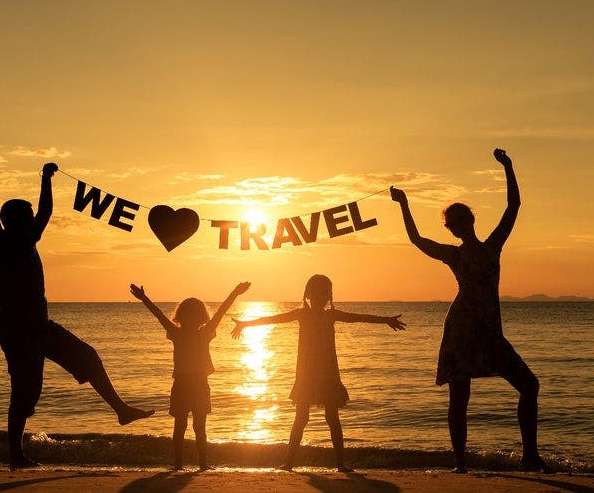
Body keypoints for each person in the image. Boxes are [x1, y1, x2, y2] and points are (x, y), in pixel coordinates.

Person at [0, 130, 153, 469]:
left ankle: (121, 411)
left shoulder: (27, 239)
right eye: (27, 215)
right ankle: (15, 453)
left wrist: (45, 179)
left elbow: (45, 211)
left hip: (41, 328)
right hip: (17, 335)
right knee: (25, 395)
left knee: (88, 356)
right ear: (12, 221)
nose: (34, 219)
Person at [390, 148, 546, 473]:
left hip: (490, 332)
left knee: (529, 386)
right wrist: (404, 204)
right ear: (451, 229)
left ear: (471, 220)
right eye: (451, 225)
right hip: (461, 330)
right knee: (459, 397)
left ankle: (529, 455)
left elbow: (514, 206)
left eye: (459, 221)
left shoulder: (493, 246)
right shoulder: (453, 255)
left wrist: (508, 167)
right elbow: (417, 239)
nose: (455, 227)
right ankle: (460, 463)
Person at [231, 275, 405, 472]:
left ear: (328, 296)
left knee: (331, 417)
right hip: (307, 374)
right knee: (302, 417)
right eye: (318, 293)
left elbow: (359, 317)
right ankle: (290, 463)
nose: (321, 298)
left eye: (324, 294)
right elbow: (272, 319)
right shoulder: (303, 314)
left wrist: (385, 320)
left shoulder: (329, 315)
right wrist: (245, 324)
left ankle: (338, 464)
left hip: (327, 374)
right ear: (308, 295)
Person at [130, 281, 251, 470]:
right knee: (181, 426)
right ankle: (180, 464)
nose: (192, 318)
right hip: (183, 384)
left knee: (198, 427)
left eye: (195, 314)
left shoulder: (202, 332)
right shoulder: (177, 332)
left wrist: (235, 293)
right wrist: (144, 298)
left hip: (198, 384)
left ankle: (201, 464)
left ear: (201, 317)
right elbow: (159, 315)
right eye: (188, 314)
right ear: (182, 317)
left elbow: (221, 312)